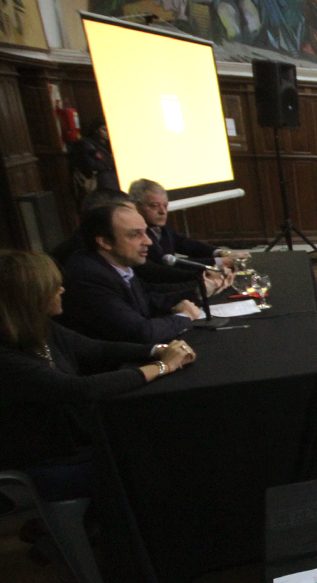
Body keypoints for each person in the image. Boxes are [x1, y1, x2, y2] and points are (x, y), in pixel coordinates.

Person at [0, 251, 196, 500]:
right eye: (52, 286)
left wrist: (159, 350)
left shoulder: (41, 328)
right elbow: (78, 389)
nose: (61, 290)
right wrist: (163, 367)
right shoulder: (5, 356)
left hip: (78, 446)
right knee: (161, 459)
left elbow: (97, 349)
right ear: (28, 297)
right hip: (50, 463)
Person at [60, 204, 205, 343]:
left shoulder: (118, 263)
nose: (148, 241)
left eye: (146, 232)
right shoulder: (89, 276)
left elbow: (147, 302)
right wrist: (184, 317)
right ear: (104, 241)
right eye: (135, 235)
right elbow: (142, 333)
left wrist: (198, 293)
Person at [128, 179, 249, 268]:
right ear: (136, 206)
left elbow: (187, 244)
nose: (163, 212)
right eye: (154, 206)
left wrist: (222, 253)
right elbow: (166, 265)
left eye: (165, 205)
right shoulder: (138, 234)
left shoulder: (160, 228)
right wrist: (221, 262)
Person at [71, 117, 119, 192]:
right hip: (98, 179)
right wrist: (109, 162)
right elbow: (91, 165)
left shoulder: (109, 145)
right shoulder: (87, 145)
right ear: (96, 130)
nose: (107, 132)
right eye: (104, 129)